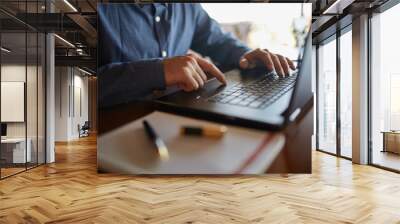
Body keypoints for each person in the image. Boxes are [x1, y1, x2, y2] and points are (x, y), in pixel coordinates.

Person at [98, 3, 295, 107]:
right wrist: (156, 71)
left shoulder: (189, 7)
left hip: (178, 113)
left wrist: (246, 54)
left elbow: (218, 40)